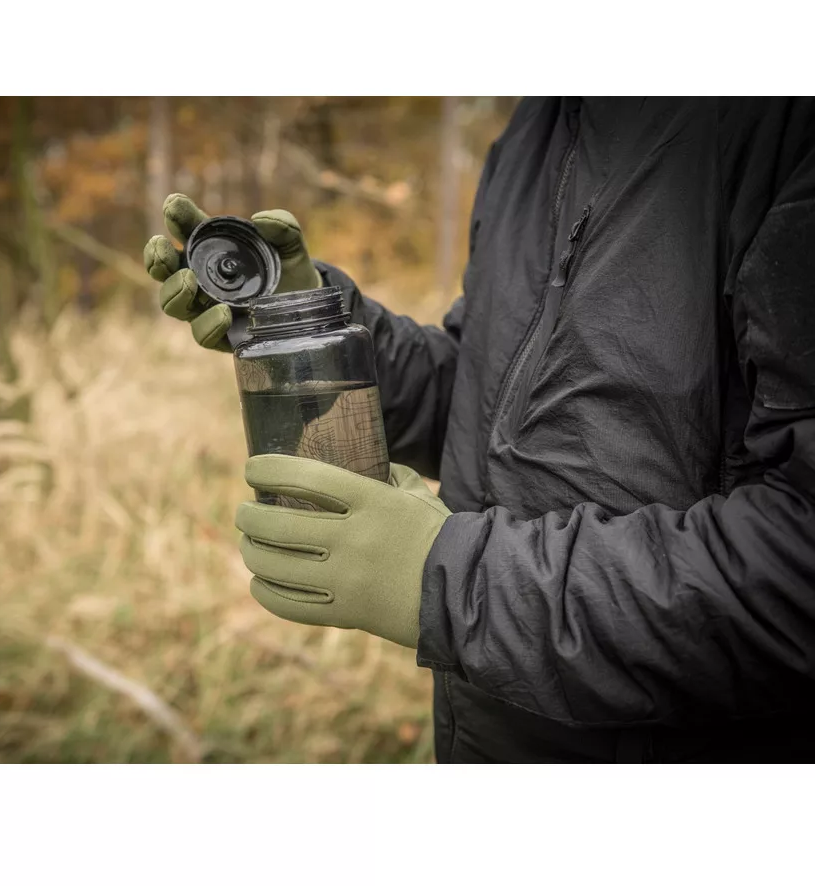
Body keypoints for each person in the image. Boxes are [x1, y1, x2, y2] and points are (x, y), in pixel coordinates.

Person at [145, 97, 815, 763]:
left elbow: (796, 566)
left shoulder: (783, 128)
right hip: (488, 733)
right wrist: (314, 325)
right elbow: (484, 400)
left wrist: (449, 579)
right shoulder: (539, 128)